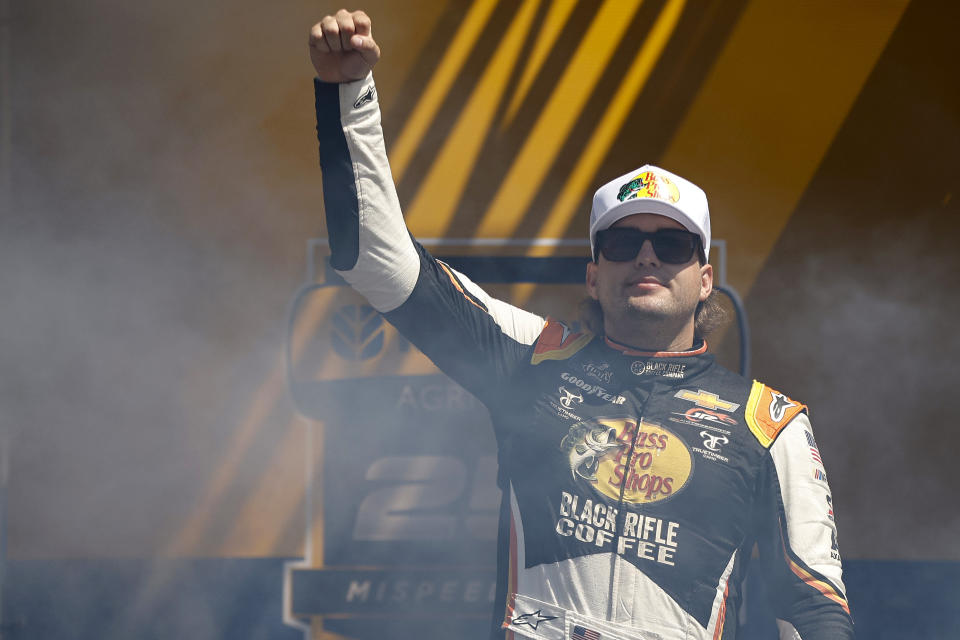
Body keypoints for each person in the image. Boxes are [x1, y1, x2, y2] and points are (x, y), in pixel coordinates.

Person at [308, 9, 854, 640]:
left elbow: (814, 608)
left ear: (705, 280)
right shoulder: (531, 359)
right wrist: (348, 95)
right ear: (593, 275)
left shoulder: (770, 424)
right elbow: (376, 261)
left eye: (672, 246)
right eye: (622, 244)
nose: (646, 256)